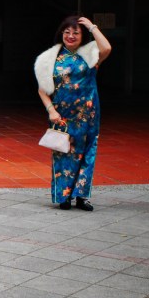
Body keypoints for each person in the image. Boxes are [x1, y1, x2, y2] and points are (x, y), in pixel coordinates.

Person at [35, 15, 112, 211]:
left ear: (82, 36)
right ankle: (64, 196)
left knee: (87, 154)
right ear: (61, 33)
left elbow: (107, 48)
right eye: (67, 32)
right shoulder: (51, 58)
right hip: (62, 116)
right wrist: (51, 111)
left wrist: (92, 27)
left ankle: (82, 197)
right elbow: (42, 90)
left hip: (88, 115)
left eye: (76, 33)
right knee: (64, 153)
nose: (71, 36)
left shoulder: (90, 55)